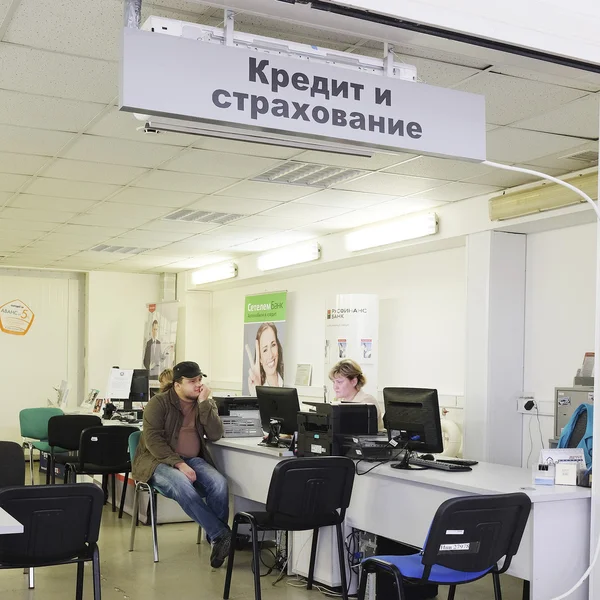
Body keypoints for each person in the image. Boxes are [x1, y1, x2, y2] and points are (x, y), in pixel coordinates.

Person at [131, 361, 231, 568]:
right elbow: (153, 441)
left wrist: (205, 403)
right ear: (177, 385)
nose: (198, 385)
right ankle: (221, 535)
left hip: (193, 459)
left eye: (200, 380)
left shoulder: (202, 401)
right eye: (192, 381)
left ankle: (216, 539)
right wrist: (178, 464)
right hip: (157, 461)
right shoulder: (158, 403)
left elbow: (215, 434)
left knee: (219, 483)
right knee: (182, 484)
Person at [329, 359, 383, 430]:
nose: (335, 387)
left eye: (339, 382)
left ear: (354, 381)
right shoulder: (338, 400)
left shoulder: (366, 402)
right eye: (334, 382)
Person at [247, 322, 284, 396]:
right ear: (260, 359)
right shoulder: (259, 390)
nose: (270, 355)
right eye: (265, 350)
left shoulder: (286, 382)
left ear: (278, 347)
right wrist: (257, 392)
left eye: (273, 345)